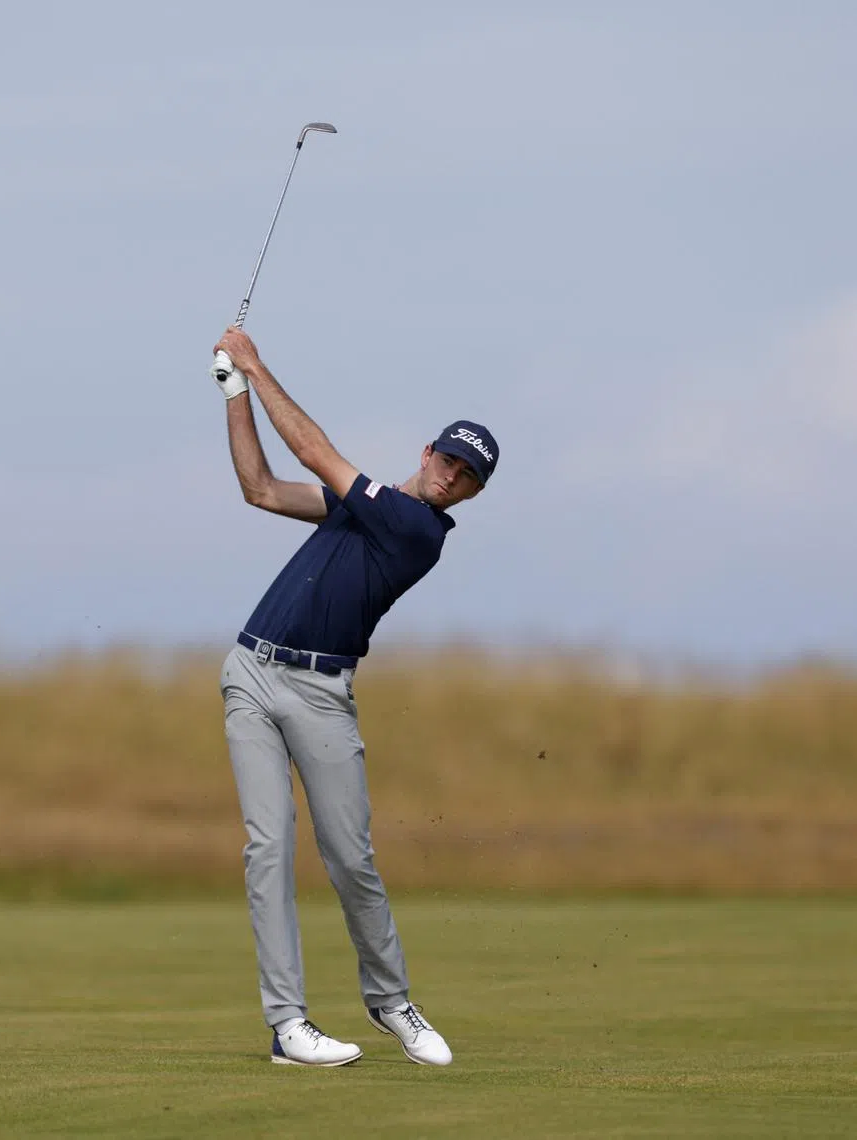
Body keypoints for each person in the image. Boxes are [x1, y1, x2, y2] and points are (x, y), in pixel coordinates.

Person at [212, 325, 499, 1067]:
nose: (452, 479)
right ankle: (288, 1027)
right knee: (267, 848)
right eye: (450, 461)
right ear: (427, 452)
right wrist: (232, 391)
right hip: (250, 671)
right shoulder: (362, 507)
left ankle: (391, 1002)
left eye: (468, 478)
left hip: (320, 694)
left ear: (470, 493)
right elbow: (260, 488)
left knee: (349, 857)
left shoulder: (416, 529)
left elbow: (311, 451)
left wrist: (255, 362)